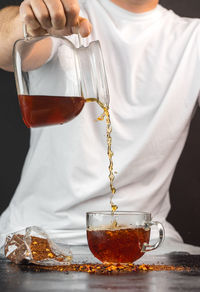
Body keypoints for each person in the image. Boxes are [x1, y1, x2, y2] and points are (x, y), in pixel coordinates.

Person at [0, 0, 200, 254]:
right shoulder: (68, 12)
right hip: (37, 236)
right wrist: (26, 21)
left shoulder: (192, 39)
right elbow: (4, 47)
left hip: (143, 244)